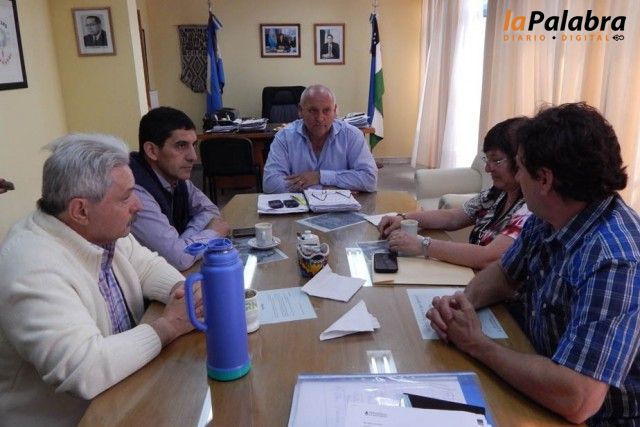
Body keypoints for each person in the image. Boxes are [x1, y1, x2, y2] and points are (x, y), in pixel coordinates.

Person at [427, 102, 640, 425]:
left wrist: (477, 344)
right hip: (538, 369)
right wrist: (460, 306)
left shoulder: (615, 258)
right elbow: (503, 275)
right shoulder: (550, 215)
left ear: (544, 179)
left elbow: (578, 398)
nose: (516, 176)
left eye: (521, 168)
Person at [0, 134, 200, 426]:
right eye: (125, 197)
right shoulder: (30, 267)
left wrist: (183, 290)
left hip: (125, 393)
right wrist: (169, 326)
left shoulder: (99, 229)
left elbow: (146, 265)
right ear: (80, 210)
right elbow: (84, 369)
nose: (138, 205)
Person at [378, 117, 530, 269]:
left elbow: (488, 257)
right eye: (487, 160)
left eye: (496, 161)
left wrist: (422, 245)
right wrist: (403, 218)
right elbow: (454, 217)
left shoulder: (528, 209)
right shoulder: (497, 194)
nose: (488, 168)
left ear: (520, 161)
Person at [130, 106, 229, 271]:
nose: (193, 157)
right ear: (152, 151)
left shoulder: (176, 176)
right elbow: (178, 258)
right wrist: (213, 234)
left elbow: (210, 211)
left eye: (193, 145)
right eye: (181, 146)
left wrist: (184, 239)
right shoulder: (134, 191)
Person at [262, 84, 378, 194]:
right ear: (300, 110)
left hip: (341, 206)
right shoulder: (284, 137)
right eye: (313, 110)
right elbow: (270, 184)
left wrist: (319, 176)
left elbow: (370, 180)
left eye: (326, 110)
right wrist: (329, 189)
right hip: (299, 206)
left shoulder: (352, 135)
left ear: (335, 111)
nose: (320, 118)